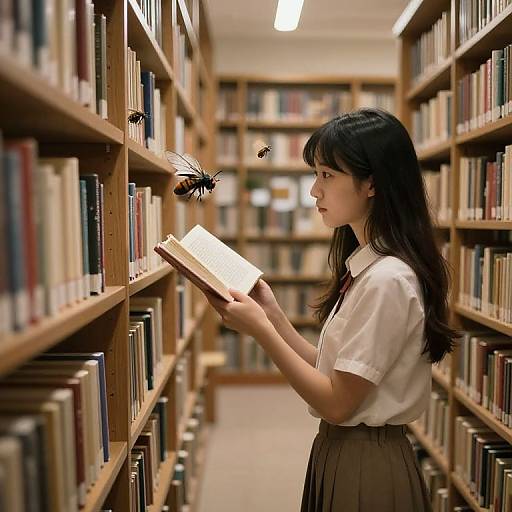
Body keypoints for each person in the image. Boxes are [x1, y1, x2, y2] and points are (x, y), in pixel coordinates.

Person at [203, 108, 457, 512]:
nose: (314, 191)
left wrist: (262, 334)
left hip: (366, 461)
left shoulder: (386, 280)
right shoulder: (367, 267)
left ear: (371, 184)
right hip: (346, 452)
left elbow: (337, 402)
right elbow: (332, 369)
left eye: (327, 175)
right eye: (315, 174)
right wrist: (272, 317)